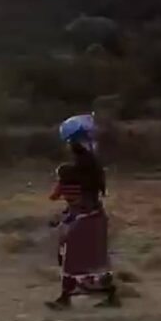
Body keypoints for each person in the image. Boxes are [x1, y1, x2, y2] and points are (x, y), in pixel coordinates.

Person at [46, 114, 118, 310]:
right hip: (94, 217)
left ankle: (65, 298)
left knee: (73, 259)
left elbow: (75, 197)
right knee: (95, 261)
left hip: (84, 218)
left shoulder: (78, 167)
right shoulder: (91, 164)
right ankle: (108, 296)